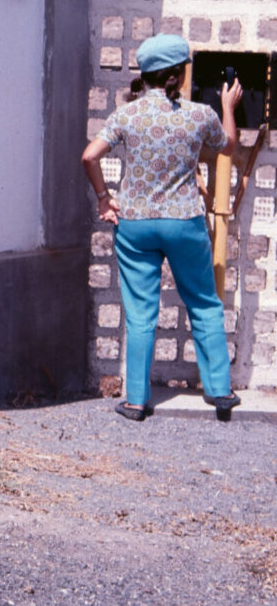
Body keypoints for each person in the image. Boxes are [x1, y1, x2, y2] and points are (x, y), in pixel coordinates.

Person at [81, 33, 243, 421]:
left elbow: (89, 156)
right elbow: (229, 145)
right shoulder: (200, 114)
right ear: (179, 75)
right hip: (183, 221)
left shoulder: (126, 115)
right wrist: (228, 107)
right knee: (204, 302)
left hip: (135, 223)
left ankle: (136, 400)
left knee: (140, 313)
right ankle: (220, 391)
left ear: (148, 75)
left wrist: (104, 197)